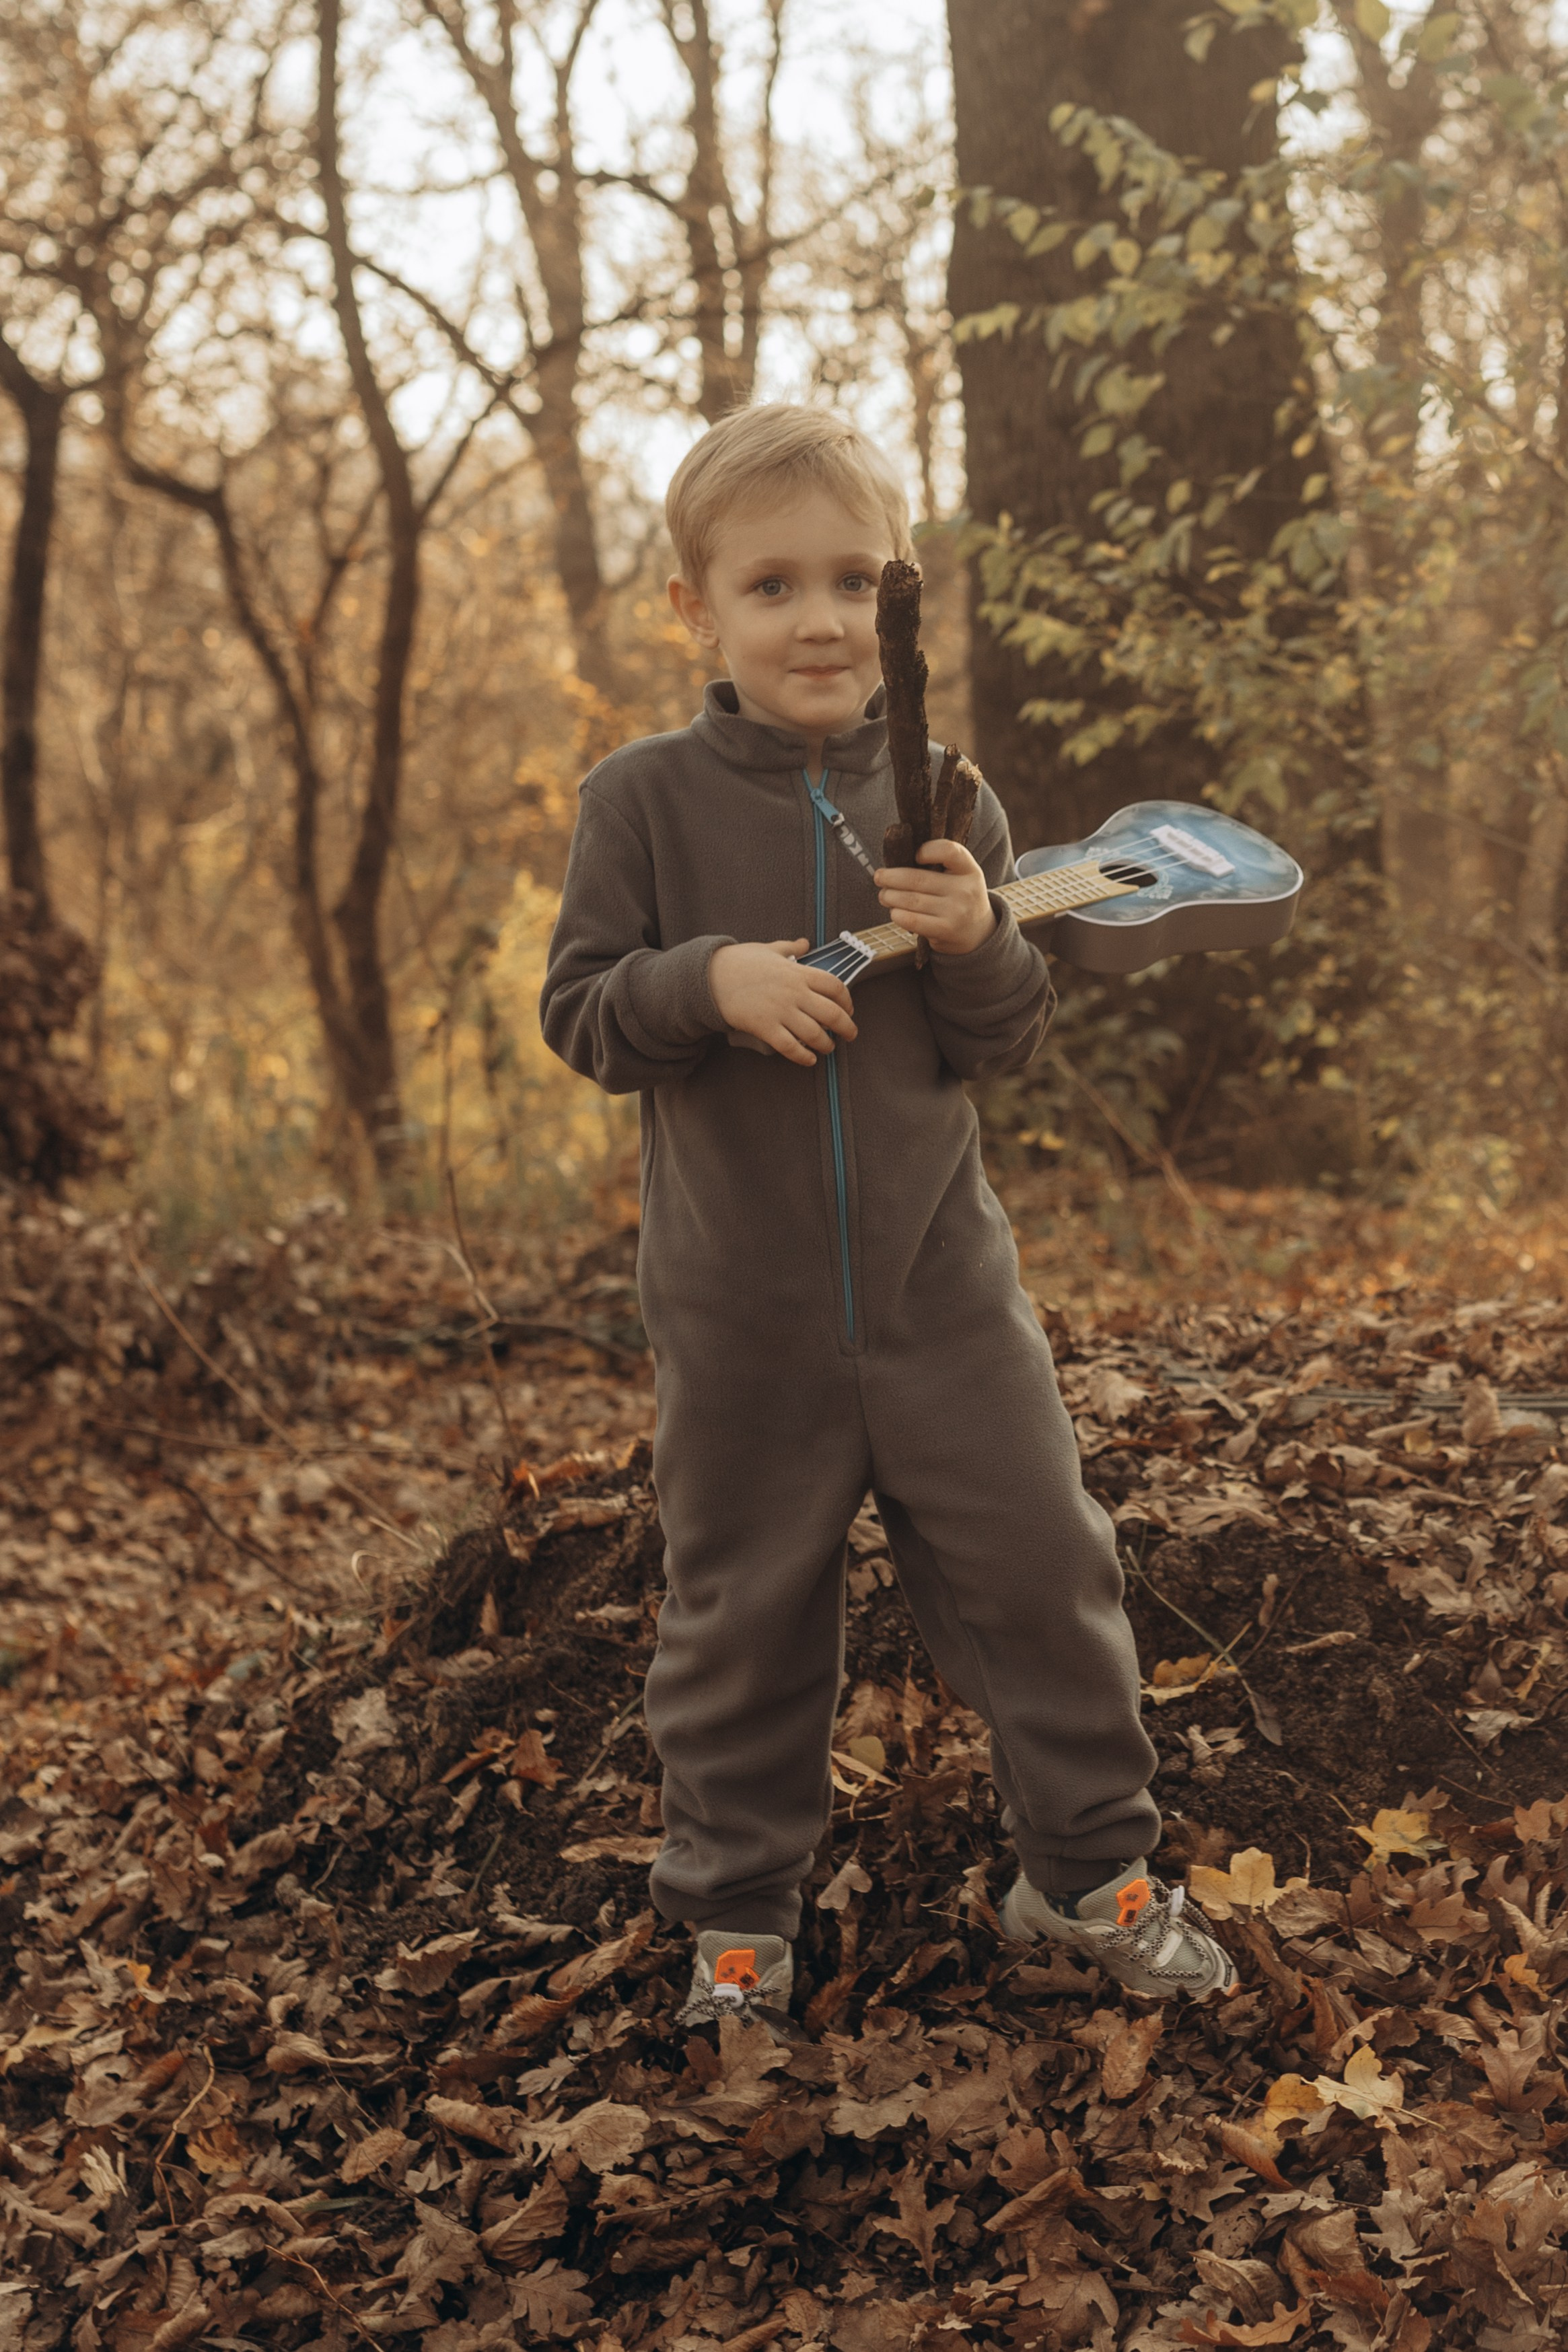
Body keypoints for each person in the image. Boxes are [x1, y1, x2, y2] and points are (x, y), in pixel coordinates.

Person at [540, 402, 1234, 2026]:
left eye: (856, 581)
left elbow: (1001, 1043)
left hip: (944, 1296)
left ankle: (1083, 1872)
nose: (821, 618)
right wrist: (705, 980)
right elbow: (581, 1013)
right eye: (772, 584)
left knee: (1043, 1569)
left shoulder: (948, 797)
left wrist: (986, 936)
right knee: (740, 1614)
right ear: (695, 609)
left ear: (900, 600)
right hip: (741, 1315)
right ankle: (734, 1926)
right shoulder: (639, 803)